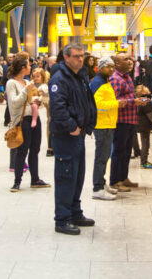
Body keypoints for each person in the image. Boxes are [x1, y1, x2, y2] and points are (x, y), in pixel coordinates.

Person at [49, 44, 97, 235]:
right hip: (66, 135)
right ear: (66, 58)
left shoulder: (79, 76)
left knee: (77, 176)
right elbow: (58, 108)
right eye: (76, 56)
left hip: (79, 134)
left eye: (82, 56)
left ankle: (75, 212)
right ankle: (62, 219)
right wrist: (72, 126)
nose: (80, 59)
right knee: (66, 176)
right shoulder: (60, 79)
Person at [6, 53, 49, 191]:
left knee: (35, 150)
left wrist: (38, 100)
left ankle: (35, 179)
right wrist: (26, 90)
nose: (31, 67)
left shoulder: (26, 82)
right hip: (22, 121)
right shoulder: (11, 83)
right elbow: (14, 103)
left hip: (35, 121)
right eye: (29, 65)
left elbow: (31, 102)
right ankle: (17, 181)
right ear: (23, 67)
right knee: (22, 151)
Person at [109, 53, 146, 191]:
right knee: (119, 151)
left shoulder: (127, 77)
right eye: (126, 59)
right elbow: (115, 101)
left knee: (126, 151)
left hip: (131, 119)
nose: (130, 61)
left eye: (130, 59)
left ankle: (123, 177)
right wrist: (133, 101)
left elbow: (128, 95)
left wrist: (138, 97)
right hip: (121, 120)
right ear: (117, 64)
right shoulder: (115, 79)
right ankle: (115, 180)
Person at [90, 56, 119, 200]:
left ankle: (102, 183)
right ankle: (97, 188)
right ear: (101, 67)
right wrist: (117, 104)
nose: (112, 69)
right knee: (101, 157)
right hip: (102, 124)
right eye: (108, 66)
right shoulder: (97, 83)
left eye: (113, 67)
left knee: (105, 156)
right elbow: (98, 104)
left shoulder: (105, 81)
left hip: (108, 122)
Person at [135, 85, 152, 169]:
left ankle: (142, 159)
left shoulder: (138, 100)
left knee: (143, 141)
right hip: (144, 125)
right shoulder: (146, 101)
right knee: (145, 143)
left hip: (138, 124)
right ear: (143, 92)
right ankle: (144, 162)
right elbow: (150, 114)